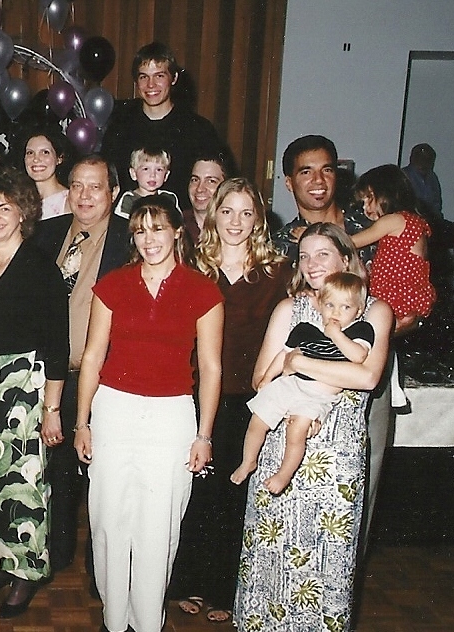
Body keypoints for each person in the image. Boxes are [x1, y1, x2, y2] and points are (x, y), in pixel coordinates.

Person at [74, 193, 222, 632]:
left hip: (171, 416)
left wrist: (204, 435)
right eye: (140, 230)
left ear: (178, 231)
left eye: (158, 228)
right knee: (107, 521)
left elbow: (211, 368)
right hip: (114, 410)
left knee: (159, 529)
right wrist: (82, 422)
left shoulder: (203, 290)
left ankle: (147, 624)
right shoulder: (113, 285)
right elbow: (93, 356)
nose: (149, 239)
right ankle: (113, 620)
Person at [233, 222, 392, 631]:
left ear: (346, 258)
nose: (311, 263)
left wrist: (299, 363)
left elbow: (368, 377)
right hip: (283, 441)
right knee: (272, 556)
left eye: (323, 253)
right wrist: (288, 368)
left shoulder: (374, 310)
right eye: (304, 255)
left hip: (338, 454)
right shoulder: (291, 309)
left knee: (327, 560)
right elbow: (259, 380)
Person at [169, 177, 290, 624]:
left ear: (258, 217)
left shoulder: (277, 271)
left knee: (234, 496)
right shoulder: (193, 267)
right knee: (196, 490)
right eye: (227, 211)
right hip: (198, 393)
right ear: (213, 214)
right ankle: (190, 583)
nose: (235, 221)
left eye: (246, 212)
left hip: (253, 400)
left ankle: (226, 588)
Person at [0, 165, 69, 618]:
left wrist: (53, 409)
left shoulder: (41, 268)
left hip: (25, 385)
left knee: (24, 483)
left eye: (5, 207)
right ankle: (1, 562)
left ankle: (26, 574)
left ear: (23, 211)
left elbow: (57, 343)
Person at [31, 154, 133, 576]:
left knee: (104, 476)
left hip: (107, 379)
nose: (85, 195)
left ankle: (101, 569)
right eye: (77, 186)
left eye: (95, 186)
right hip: (52, 376)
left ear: (113, 193)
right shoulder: (45, 234)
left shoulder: (131, 240)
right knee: (54, 472)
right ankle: (56, 556)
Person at [232, 271, 374, 494]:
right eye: (329, 305)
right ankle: (248, 460)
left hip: (318, 394)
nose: (336, 313)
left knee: (297, 430)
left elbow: (358, 356)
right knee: (258, 420)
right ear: (319, 305)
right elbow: (283, 356)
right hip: (291, 385)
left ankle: (284, 474)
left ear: (358, 310)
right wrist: (267, 379)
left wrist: (336, 335)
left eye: (345, 307)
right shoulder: (306, 329)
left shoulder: (360, 331)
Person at [101, 41, 228, 203]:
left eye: (159, 76)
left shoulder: (198, 129)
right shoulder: (119, 125)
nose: (150, 85)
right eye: (143, 77)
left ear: (174, 78)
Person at [351, 164, 436, 331]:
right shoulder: (415, 222)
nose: (364, 207)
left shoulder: (394, 220)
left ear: (387, 193)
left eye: (369, 198)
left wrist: (319, 233)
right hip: (408, 299)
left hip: (394, 297)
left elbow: (351, 242)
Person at [271, 135, 372, 263]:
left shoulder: (370, 225)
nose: (319, 179)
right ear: (289, 183)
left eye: (327, 170)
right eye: (306, 172)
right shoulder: (280, 248)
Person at [19, 127, 71, 220]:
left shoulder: (70, 201)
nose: (36, 159)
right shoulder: (19, 200)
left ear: (59, 158)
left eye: (45, 152)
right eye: (30, 153)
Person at [183, 151, 232, 241]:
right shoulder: (175, 225)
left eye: (211, 181)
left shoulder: (234, 229)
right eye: (195, 180)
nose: (199, 189)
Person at [113, 146, 172, 217]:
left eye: (159, 170)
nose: (152, 175)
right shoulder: (128, 199)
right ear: (133, 173)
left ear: (166, 175)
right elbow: (120, 225)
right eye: (146, 169)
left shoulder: (170, 198)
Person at [402, 142, 442, 219]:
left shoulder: (433, 177)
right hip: (410, 220)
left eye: (428, 158)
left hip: (432, 221)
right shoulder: (403, 175)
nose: (424, 161)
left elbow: (437, 204)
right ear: (412, 158)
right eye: (420, 157)